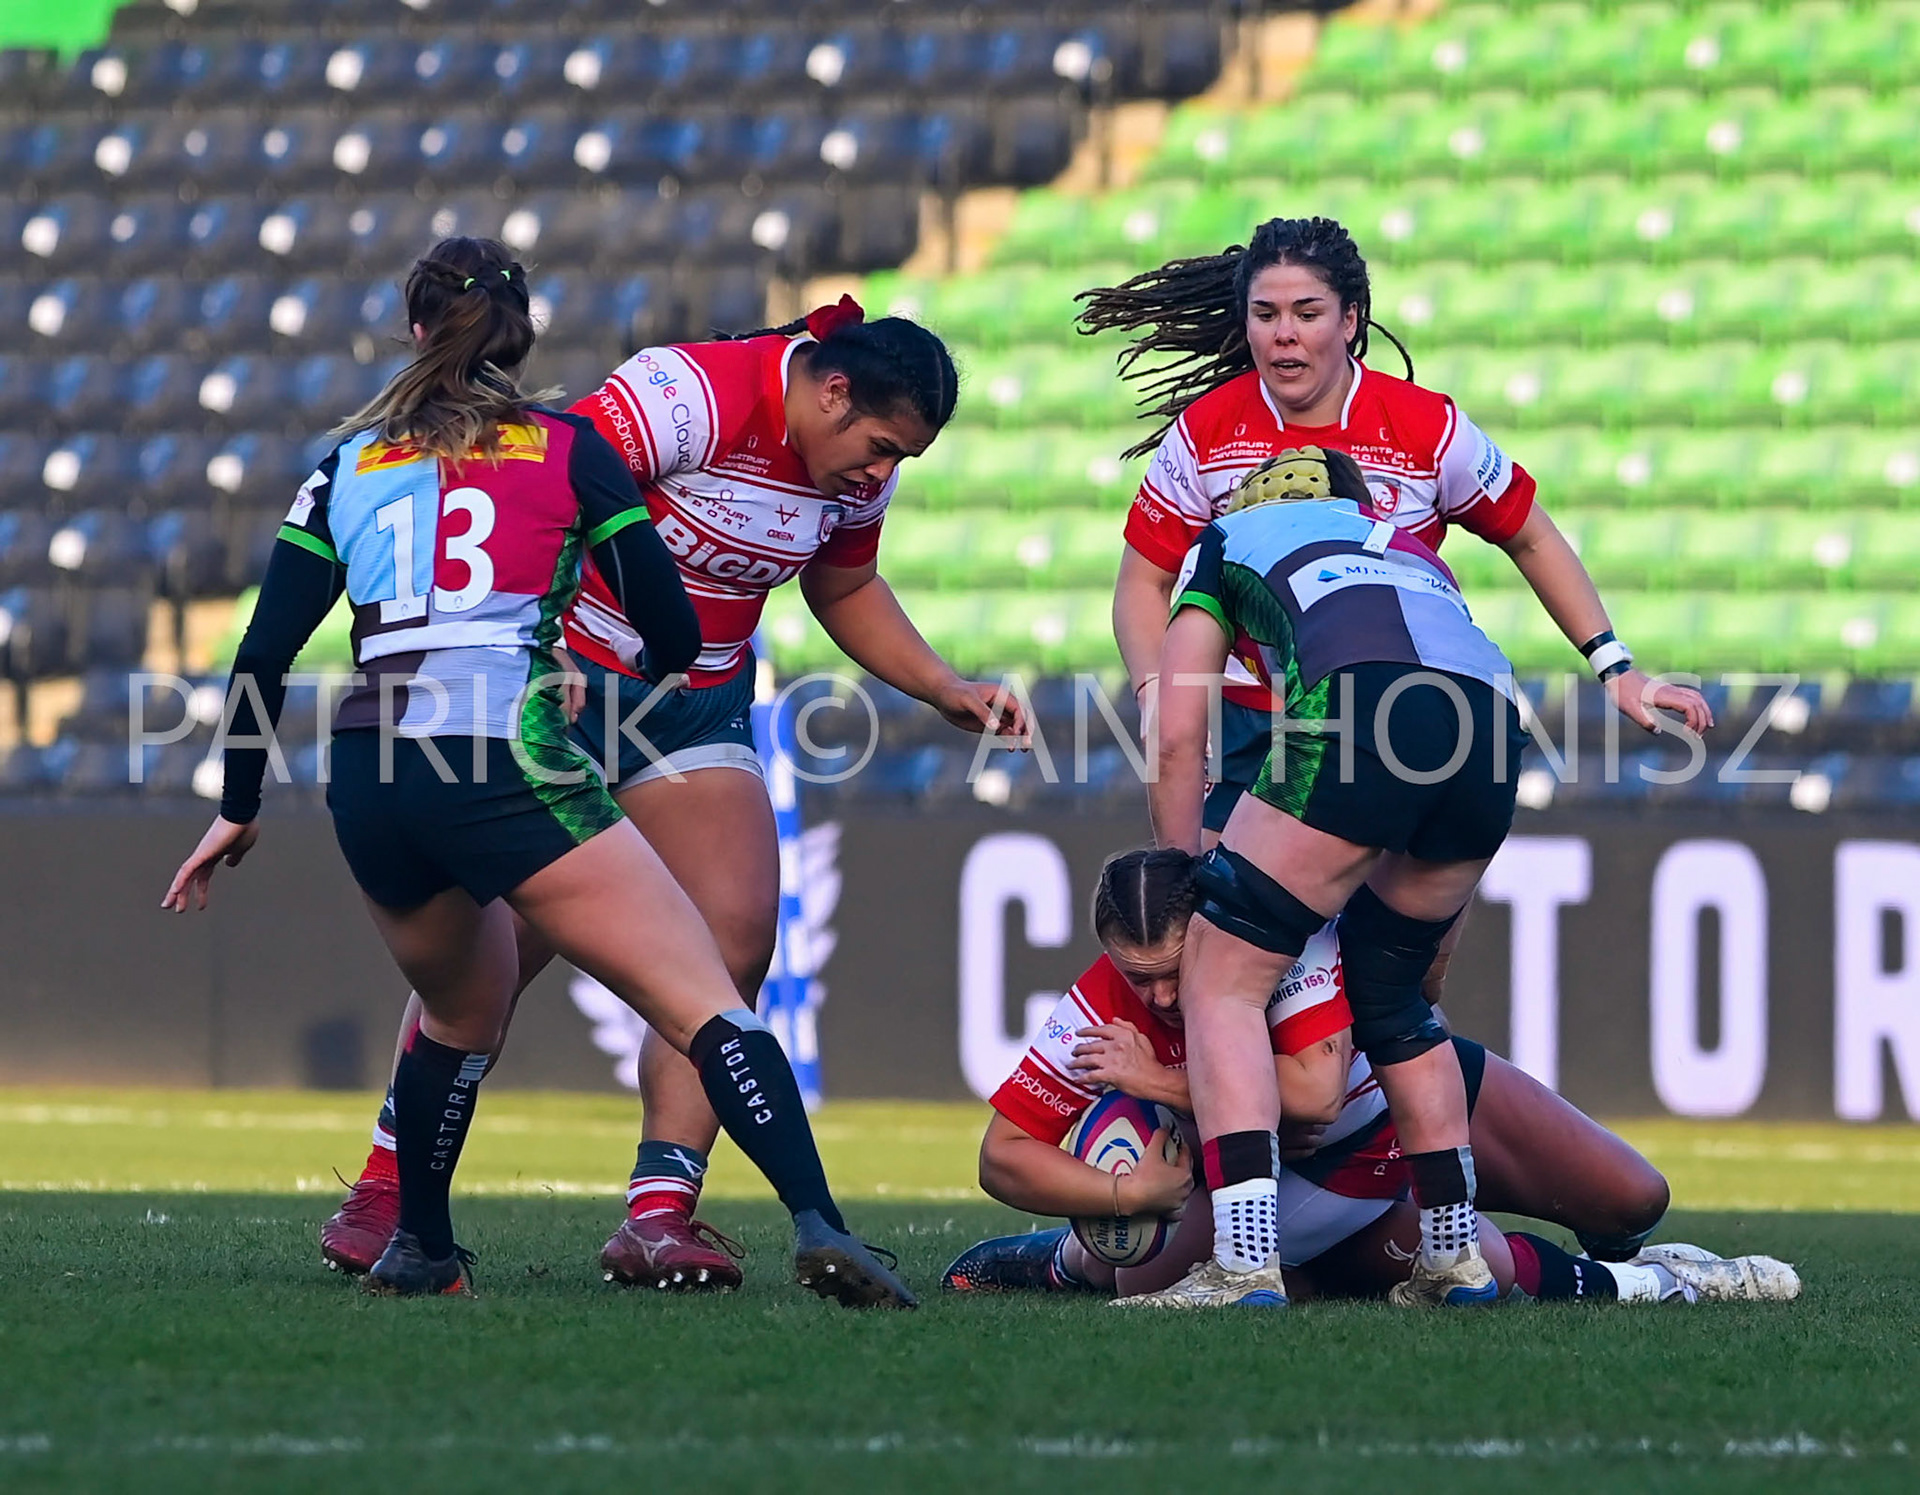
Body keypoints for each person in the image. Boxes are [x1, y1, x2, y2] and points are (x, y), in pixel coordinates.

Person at [163, 238, 916, 1308]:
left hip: (370, 773)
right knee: (709, 996)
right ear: (525, 338)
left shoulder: (345, 466)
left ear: (417, 329)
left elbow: (259, 660)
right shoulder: (568, 448)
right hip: (502, 753)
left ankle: (419, 1243)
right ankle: (819, 1223)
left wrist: (235, 810)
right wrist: (645, 679)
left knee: (462, 1015)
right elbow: (664, 625)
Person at [318, 294, 1027, 1291]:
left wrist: (941, 682)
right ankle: (388, 1189)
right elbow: (541, 487)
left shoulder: (853, 469)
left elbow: (845, 586)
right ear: (829, 389)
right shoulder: (686, 392)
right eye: (879, 446)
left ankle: (659, 1213)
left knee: (733, 936)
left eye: (901, 458)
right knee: (495, 959)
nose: (883, 472)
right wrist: (543, 638)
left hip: (694, 705)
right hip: (567, 684)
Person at [1080, 215, 1713, 998]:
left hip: (1384, 718)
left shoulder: (1424, 428)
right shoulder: (1207, 435)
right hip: (1255, 728)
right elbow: (1143, 580)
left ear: (1351, 319)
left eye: (1307, 314)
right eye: (1266, 314)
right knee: (1212, 956)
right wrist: (1158, 694)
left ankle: (1363, 1112)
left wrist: (1615, 667)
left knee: (1401, 983)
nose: (1284, 337)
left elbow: (1530, 536)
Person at [1135, 447, 1701, 1310]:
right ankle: (1453, 1257)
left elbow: (1177, 730)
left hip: (1366, 703)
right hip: (1488, 721)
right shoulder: (1409, 544)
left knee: (1221, 968)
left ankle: (1244, 1264)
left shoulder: (1228, 537)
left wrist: (1181, 873)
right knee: (1396, 994)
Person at [944, 849, 1800, 1307]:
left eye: (1174, 969)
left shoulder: (1274, 934)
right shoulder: (1101, 1005)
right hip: (1325, 1176)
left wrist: (1161, 1084)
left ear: (1211, 926)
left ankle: (1638, 1250)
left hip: (1417, 1097)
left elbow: (1315, 1094)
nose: (1163, 996)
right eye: (1139, 978)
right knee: (1473, 1272)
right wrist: (1122, 1198)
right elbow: (1003, 1155)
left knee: (1633, 1196)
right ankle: (1658, 1284)